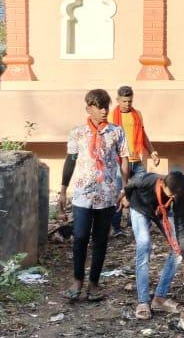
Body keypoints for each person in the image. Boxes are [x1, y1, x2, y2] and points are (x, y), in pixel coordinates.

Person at [58, 89, 130, 302]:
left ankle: (94, 285)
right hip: (82, 195)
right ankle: (77, 281)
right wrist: (63, 190)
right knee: (79, 237)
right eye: (99, 106)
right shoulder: (78, 133)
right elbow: (70, 160)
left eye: (106, 106)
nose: (104, 110)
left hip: (107, 195)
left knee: (100, 240)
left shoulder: (116, 132)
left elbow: (124, 158)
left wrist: (126, 188)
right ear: (88, 108)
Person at [124, 170, 184, 320]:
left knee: (177, 249)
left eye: (176, 197)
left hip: (161, 211)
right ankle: (143, 301)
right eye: (171, 195)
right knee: (144, 244)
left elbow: (181, 226)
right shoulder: (150, 180)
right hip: (140, 208)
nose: (173, 198)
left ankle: (159, 298)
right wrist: (126, 197)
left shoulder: (176, 195)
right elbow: (131, 184)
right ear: (162, 184)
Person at [108, 85, 161, 237]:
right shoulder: (111, 116)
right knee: (118, 194)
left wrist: (152, 152)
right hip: (119, 162)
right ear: (118, 100)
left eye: (130, 101)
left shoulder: (137, 114)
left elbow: (143, 135)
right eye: (124, 101)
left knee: (141, 193)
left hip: (136, 160)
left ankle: (141, 226)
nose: (127, 104)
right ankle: (115, 228)